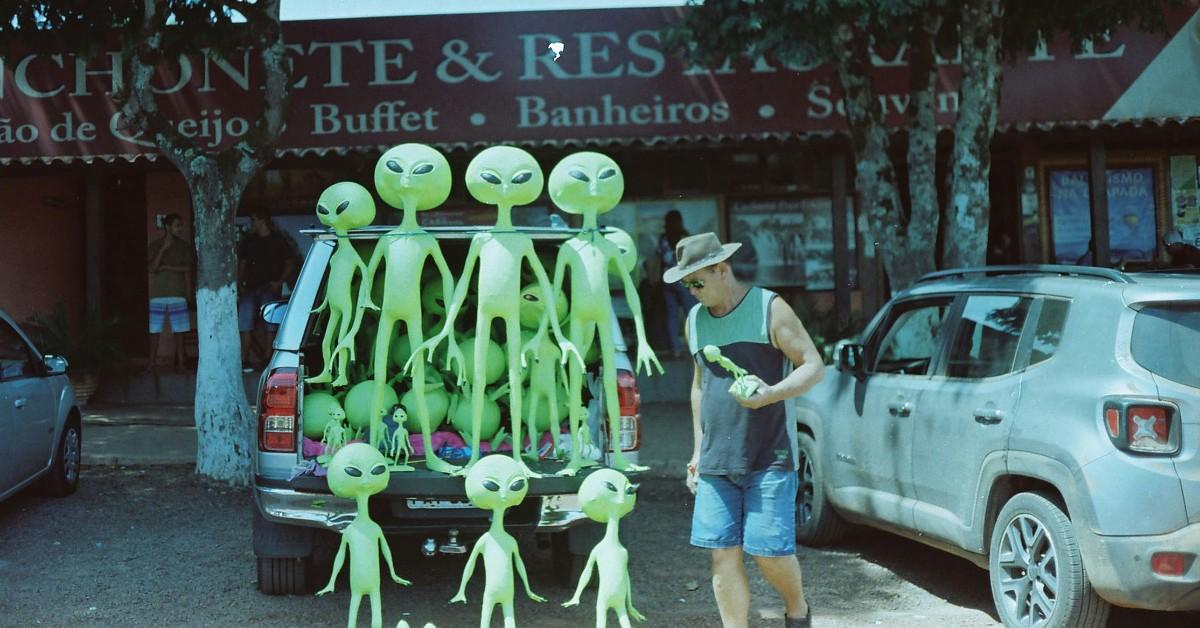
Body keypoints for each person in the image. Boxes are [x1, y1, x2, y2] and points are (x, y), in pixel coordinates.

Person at [664, 232, 825, 628]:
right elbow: (700, 385)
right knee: (721, 552)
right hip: (718, 458)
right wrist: (698, 451)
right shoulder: (695, 321)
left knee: (768, 551)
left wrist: (771, 394)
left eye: (698, 282)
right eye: (687, 285)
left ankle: (798, 610)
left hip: (770, 454)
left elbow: (812, 365)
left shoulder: (769, 308)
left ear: (723, 269)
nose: (693, 292)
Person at [238, 209, 298, 371]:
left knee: (270, 322)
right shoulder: (249, 240)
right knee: (245, 322)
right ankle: (244, 359)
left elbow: (289, 263)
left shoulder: (278, 240)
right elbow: (242, 264)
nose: (252, 224)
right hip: (250, 287)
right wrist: (240, 284)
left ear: (263, 220)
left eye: (254, 220)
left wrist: (279, 282)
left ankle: (267, 358)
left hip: (269, 287)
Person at [146, 213, 194, 374]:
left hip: (177, 293)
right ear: (167, 227)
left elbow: (187, 268)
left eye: (181, 225)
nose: (180, 229)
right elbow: (152, 268)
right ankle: (151, 365)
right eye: (176, 225)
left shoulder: (184, 246)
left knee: (179, 331)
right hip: (158, 294)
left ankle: (181, 364)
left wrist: (166, 267)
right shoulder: (155, 245)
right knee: (154, 330)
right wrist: (164, 249)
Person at [656, 209, 697, 358]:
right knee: (691, 314)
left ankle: (676, 349)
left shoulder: (663, 238)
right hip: (683, 279)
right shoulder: (685, 236)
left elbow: (662, 257)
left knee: (672, 316)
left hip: (668, 279)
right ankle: (694, 347)